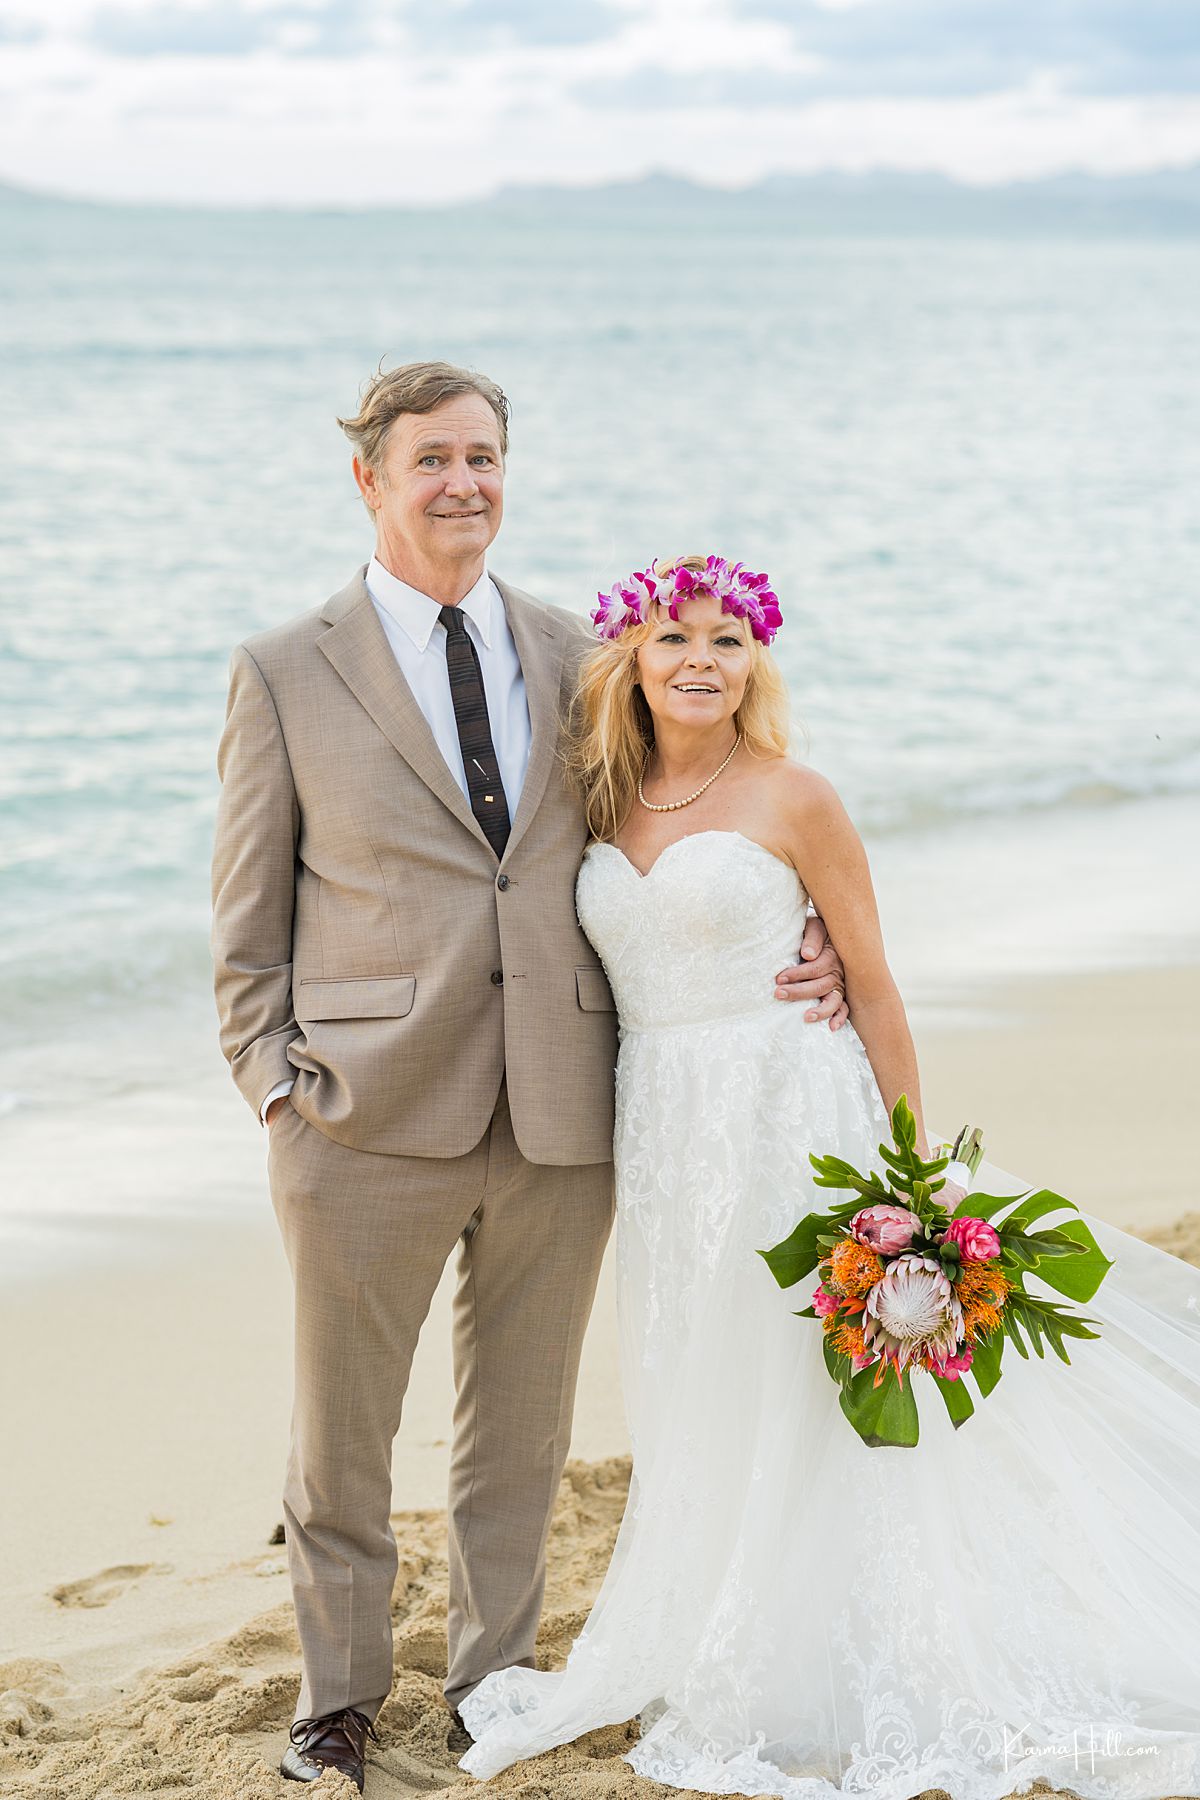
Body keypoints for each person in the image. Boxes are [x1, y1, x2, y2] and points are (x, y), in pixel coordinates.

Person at [458, 554, 1200, 1799]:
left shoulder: (795, 797)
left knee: (812, 1375)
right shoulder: (599, 802)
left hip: (792, 1110)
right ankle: (733, 1619)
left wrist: (913, 1178)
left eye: (729, 641)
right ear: (632, 660)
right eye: (677, 637)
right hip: (665, 1128)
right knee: (707, 1371)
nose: (702, 660)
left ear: (757, 664)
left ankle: (847, 1648)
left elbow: (872, 980)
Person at [209, 367, 847, 1792]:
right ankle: (342, 1698)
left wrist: (792, 926)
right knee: (344, 1430)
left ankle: (493, 1677)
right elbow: (245, 920)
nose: (464, 483)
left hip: (567, 1098)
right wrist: (273, 1084)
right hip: (360, 1111)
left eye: (485, 457)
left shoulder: (578, 649)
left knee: (525, 1424)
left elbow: (686, 804)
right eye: (432, 459)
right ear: (368, 480)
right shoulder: (285, 668)